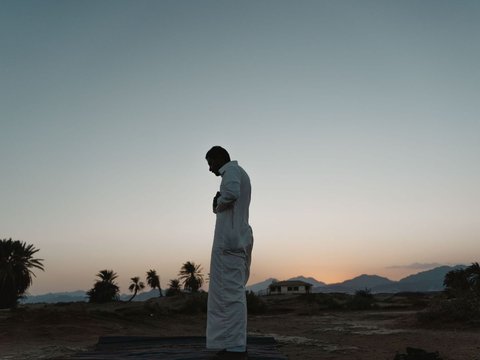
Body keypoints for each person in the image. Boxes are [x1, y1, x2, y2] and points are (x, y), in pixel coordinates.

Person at [205, 146, 254, 360]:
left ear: (219, 159)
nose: (210, 168)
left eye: (210, 162)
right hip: (233, 241)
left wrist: (218, 203)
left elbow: (231, 194)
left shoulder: (231, 172)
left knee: (230, 295)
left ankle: (235, 347)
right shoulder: (237, 173)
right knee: (228, 294)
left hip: (229, 244)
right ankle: (232, 343)